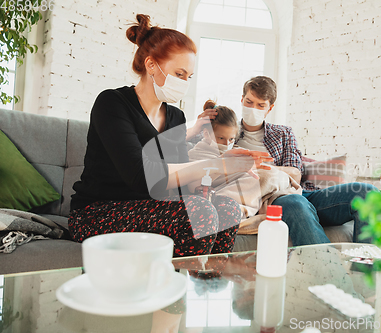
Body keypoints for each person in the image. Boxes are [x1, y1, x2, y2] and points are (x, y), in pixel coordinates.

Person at [68, 14, 271, 257]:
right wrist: (215, 165)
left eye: (189, 77)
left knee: (227, 208)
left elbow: (182, 184)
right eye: (179, 74)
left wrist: (230, 166)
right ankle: (176, 288)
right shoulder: (112, 103)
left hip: (152, 209)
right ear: (151, 65)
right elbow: (141, 177)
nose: (185, 82)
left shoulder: (176, 117)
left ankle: (206, 286)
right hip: (98, 211)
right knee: (199, 211)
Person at [233, 76, 378, 245]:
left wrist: (255, 166)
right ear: (242, 100)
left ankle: (365, 269)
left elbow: (295, 173)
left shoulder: (282, 133)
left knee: (368, 192)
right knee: (295, 203)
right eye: (249, 102)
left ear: (270, 108)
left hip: (298, 192)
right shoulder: (226, 133)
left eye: (260, 105)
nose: (253, 109)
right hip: (272, 200)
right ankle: (329, 270)